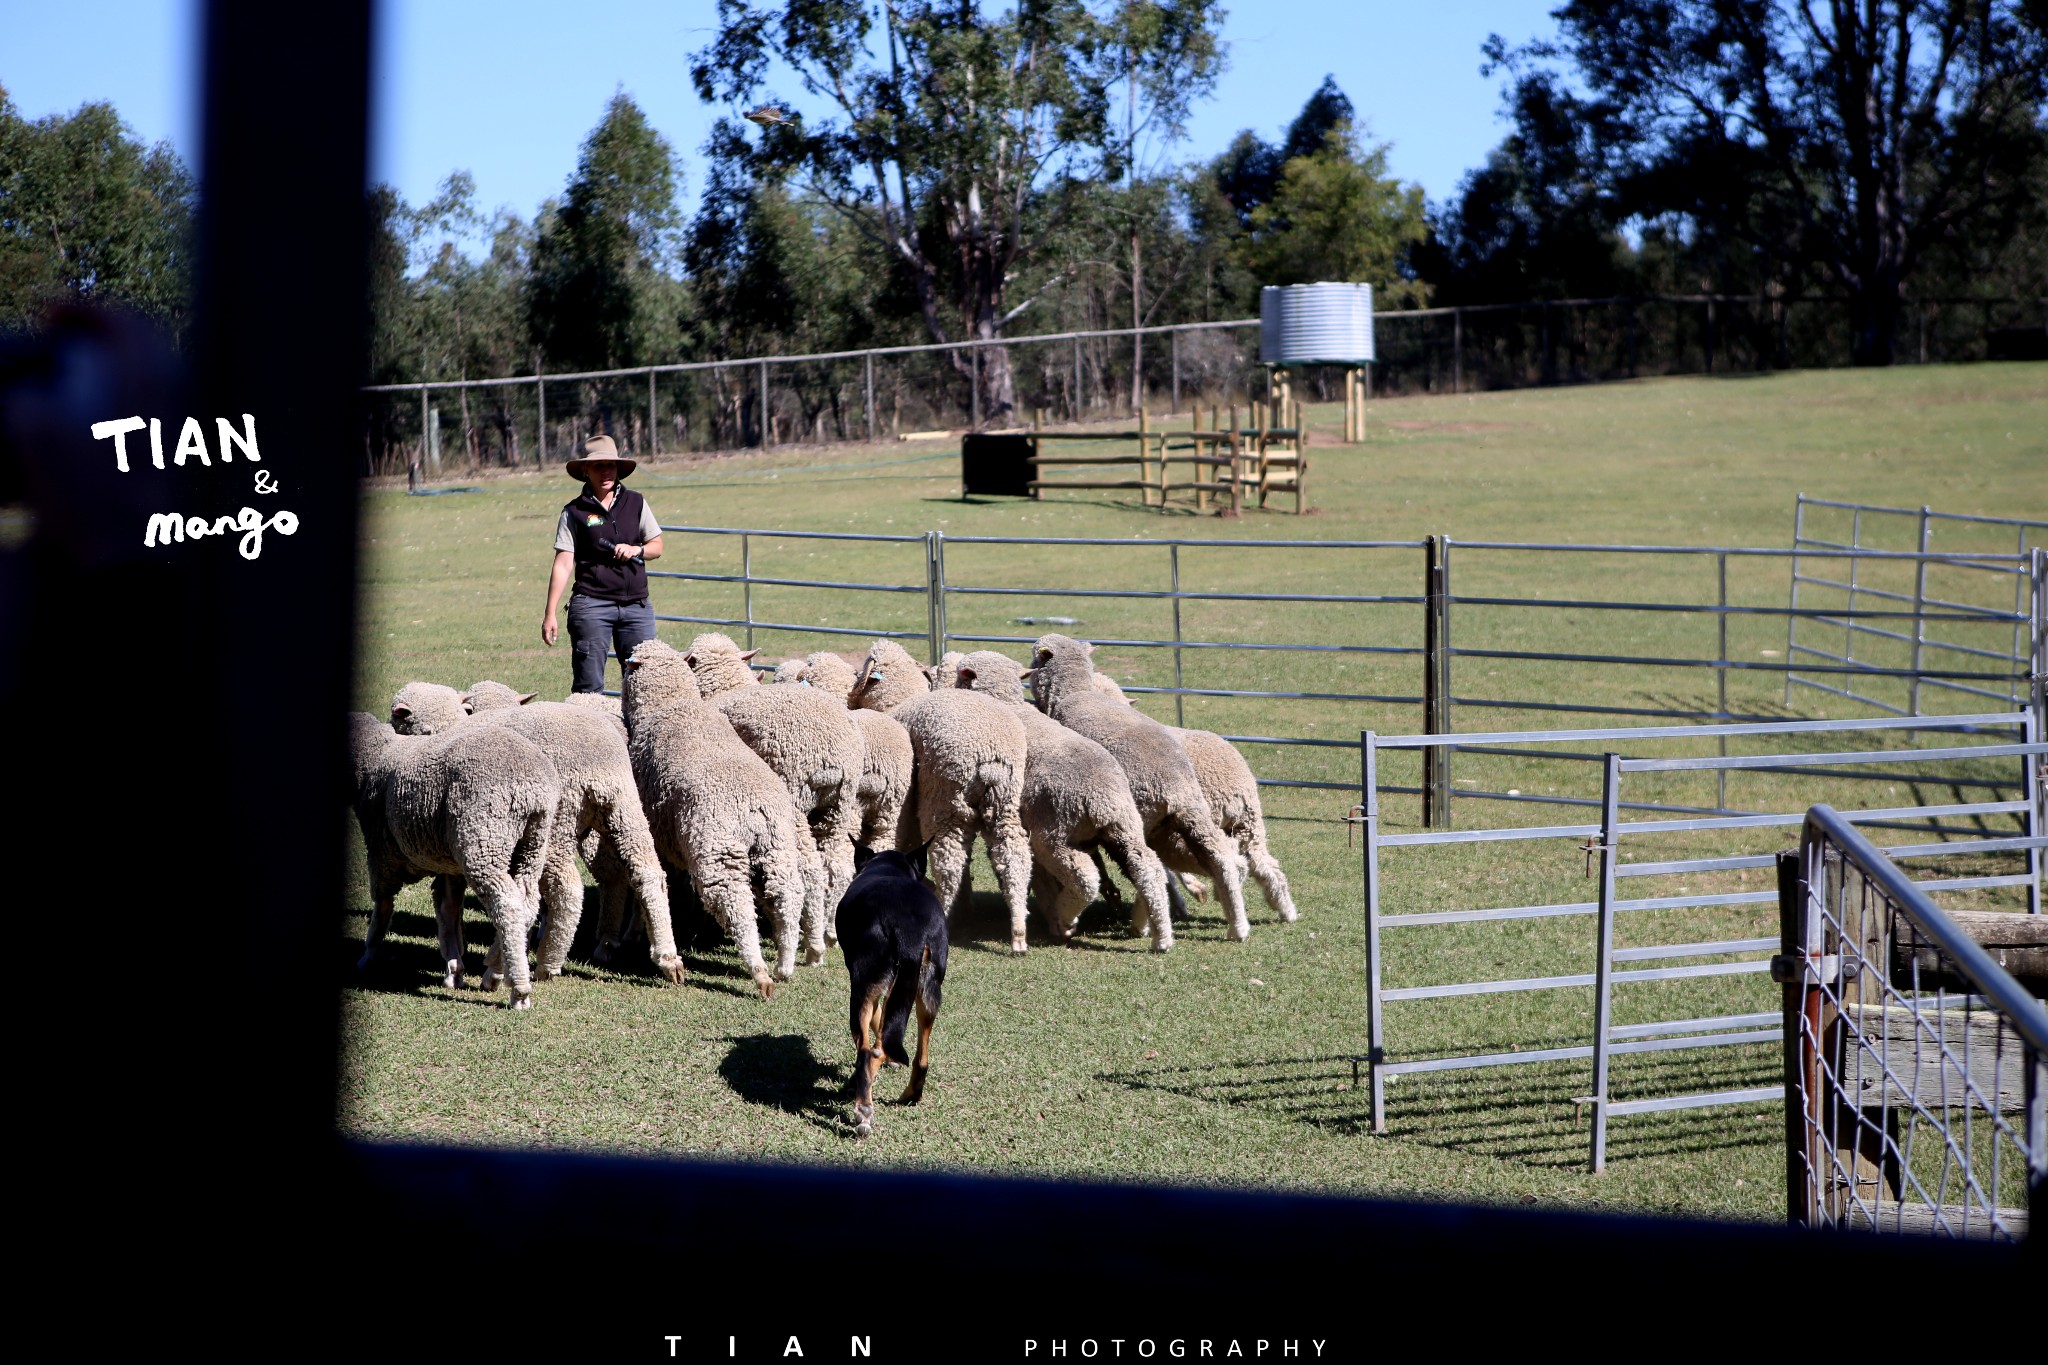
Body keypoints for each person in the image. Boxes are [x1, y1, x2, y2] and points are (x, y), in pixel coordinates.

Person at [542, 433, 664, 693]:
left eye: (610, 465)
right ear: (586, 470)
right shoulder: (574, 512)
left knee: (644, 685)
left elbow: (657, 547)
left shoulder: (636, 502)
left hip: (636, 607)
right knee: (589, 687)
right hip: (592, 605)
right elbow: (563, 563)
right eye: (598, 465)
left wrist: (636, 550)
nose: (605, 471)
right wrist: (550, 613)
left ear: (618, 468)